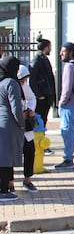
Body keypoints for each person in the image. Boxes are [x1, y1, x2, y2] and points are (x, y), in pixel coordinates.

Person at [0, 56, 23, 202]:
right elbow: (16, 108)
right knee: (7, 158)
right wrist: (22, 123)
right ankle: (3, 190)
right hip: (9, 124)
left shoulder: (1, 82)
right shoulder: (12, 83)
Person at [17, 65, 38, 192]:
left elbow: (31, 98)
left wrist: (31, 109)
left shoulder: (25, 86)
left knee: (30, 150)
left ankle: (27, 179)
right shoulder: (8, 84)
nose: (24, 82)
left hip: (25, 124)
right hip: (11, 125)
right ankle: (8, 182)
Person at [29, 38, 56, 129]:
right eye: (50, 47)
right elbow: (32, 79)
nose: (51, 49)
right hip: (42, 96)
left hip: (46, 95)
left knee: (43, 120)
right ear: (46, 47)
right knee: (39, 120)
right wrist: (39, 95)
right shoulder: (37, 59)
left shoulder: (43, 58)